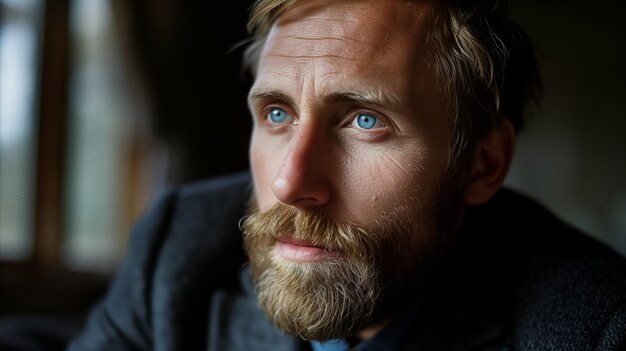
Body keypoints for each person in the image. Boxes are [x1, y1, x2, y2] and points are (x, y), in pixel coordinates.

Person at [67, 0, 626, 350]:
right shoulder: (177, 252)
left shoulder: (598, 327)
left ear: (482, 164)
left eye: (365, 121)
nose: (289, 184)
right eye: (278, 114)